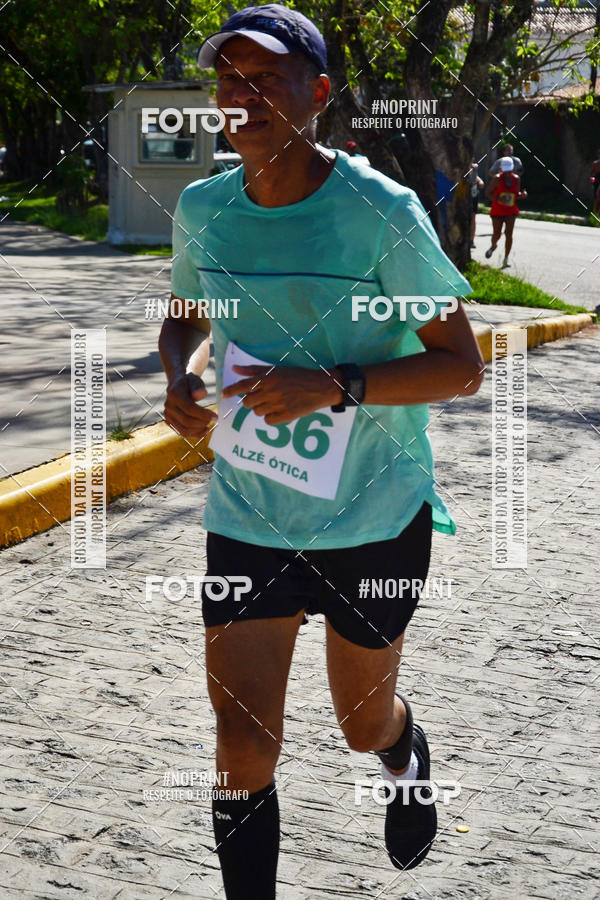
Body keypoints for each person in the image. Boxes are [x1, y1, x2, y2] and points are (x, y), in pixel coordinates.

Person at [160, 5, 484, 897]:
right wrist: (177, 379)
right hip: (250, 516)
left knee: (359, 722)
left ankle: (403, 751)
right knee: (239, 748)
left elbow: (462, 367)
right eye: (229, 79)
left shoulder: (380, 210)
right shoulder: (203, 207)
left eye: (266, 78)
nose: (242, 95)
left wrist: (337, 384)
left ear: (319, 92)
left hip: (373, 519)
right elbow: (185, 314)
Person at [485, 157, 527, 267]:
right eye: (506, 171)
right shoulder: (497, 178)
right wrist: (498, 199)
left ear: (512, 169)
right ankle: (493, 245)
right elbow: (488, 193)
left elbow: (515, 194)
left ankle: (506, 259)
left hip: (511, 210)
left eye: (509, 171)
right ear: (501, 169)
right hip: (497, 210)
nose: (508, 173)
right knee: (497, 234)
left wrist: (521, 195)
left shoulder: (516, 179)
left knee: (509, 234)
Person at [467, 159, 484, 248]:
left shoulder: (474, 167)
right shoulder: (458, 165)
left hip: (473, 195)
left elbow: (476, 177)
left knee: (473, 217)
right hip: (462, 195)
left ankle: (471, 240)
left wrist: (480, 181)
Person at [590, 149, 600, 215]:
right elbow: (592, 174)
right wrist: (593, 180)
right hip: (597, 179)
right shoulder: (595, 163)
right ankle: (595, 211)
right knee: (596, 195)